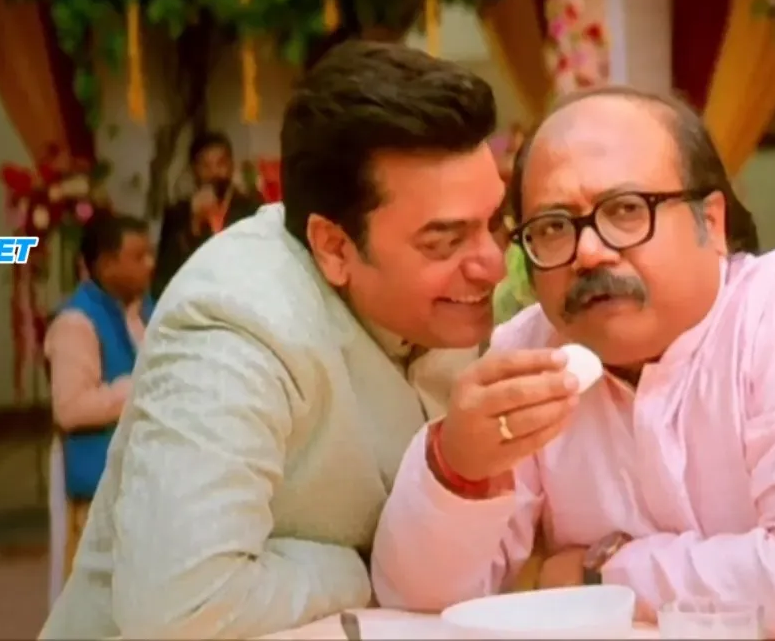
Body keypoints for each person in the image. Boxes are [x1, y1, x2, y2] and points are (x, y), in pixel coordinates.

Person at [370, 87, 775, 639]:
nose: (588, 252)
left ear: (711, 222)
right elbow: (415, 603)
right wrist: (458, 468)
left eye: (626, 210)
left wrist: (601, 573)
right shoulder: (531, 352)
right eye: (553, 227)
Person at [38, 41, 505, 640]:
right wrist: (366, 567)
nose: (493, 265)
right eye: (445, 242)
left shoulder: (457, 306)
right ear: (334, 247)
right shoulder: (236, 323)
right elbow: (178, 605)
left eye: (494, 222)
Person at [43, 215, 155, 588]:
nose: (150, 264)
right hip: (100, 487)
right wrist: (141, 388)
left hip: (149, 481)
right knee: (98, 599)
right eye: (138, 257)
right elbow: (71, 409)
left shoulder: (148, 310)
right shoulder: (76, 322)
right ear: (106, 265)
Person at [152, 131, 263, 295]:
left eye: (221, 164)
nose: (214, 172)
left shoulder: (251, 208)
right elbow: (165, 276)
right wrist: (195, 224)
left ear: (231, 165)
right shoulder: (177, 214)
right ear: (194, 170)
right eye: (206, 166)